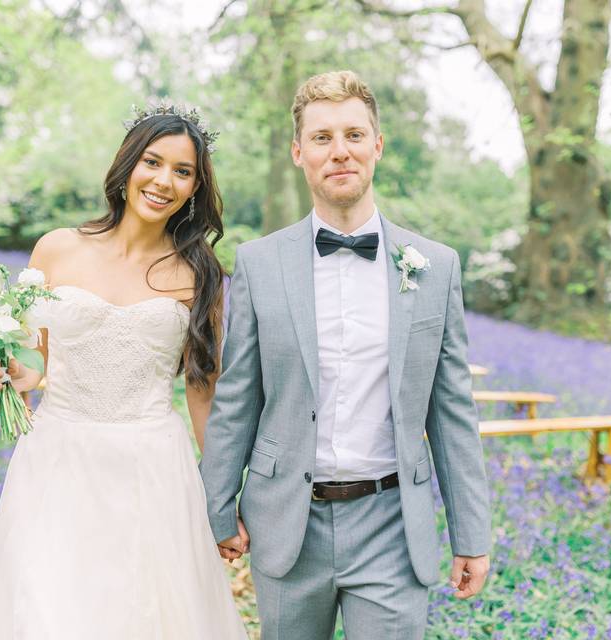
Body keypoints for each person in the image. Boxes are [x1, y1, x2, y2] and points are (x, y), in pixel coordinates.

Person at [200, 70, 493, 640]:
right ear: (298, 152)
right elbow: (238, 397)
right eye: (322, 137)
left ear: (377, 146)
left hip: (391, 523)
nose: (341, 152)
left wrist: (471, 534)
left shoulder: (434, 266)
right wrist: (216, 508)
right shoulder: (260, 264)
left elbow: (453, 409)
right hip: (287, 521)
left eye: (355, 135)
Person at [0, 105, 247, 639]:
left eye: (183, 171)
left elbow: (203, 394)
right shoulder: (58, 248)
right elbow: (38, 359)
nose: (163, 181)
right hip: (58, 461)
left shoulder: (201, 275)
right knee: (48, 609)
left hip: (151, 467)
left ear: (196, 187)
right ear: (128, 165)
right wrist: (15, 373)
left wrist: (220, 501)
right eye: (153, 162)